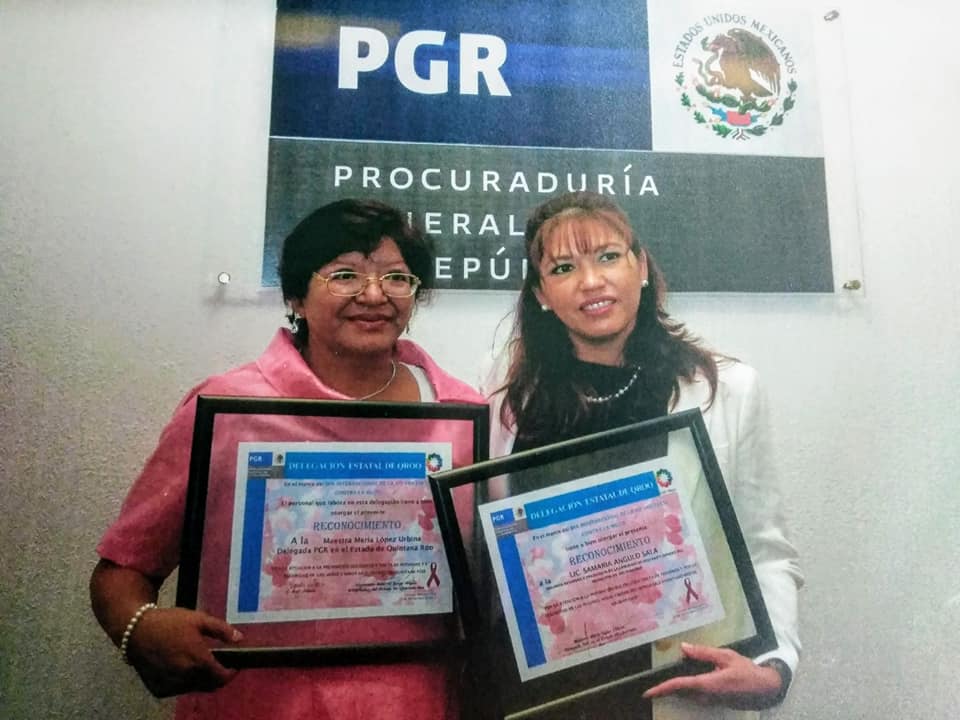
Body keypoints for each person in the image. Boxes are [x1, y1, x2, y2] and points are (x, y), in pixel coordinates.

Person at [90, 199, 485, 720]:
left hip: (420, 706)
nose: (374, 295)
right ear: (297, 296)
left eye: (396, 278)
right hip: (253, 706)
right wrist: (140, 629)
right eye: (344, 275)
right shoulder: (229, 410)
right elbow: (121, 572)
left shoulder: (462, 416)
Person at [486, 191, 802, 719]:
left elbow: (764, 547)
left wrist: (775, 666)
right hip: (539, 698)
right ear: (541, 294)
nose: (591, 281)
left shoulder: (727, 390)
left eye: (608, 256)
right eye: (563, 267)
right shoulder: (504, 402)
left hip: (671, 691)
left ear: (642, 268)